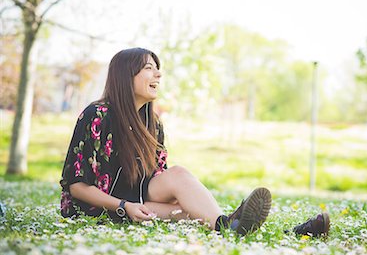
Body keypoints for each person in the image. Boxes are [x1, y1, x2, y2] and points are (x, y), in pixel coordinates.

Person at [59, 47, 330, 237]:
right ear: (125, 76)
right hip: (103, 210)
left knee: (188, 197)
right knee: (199, 215)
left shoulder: (153, 123)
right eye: (149, 69)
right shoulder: (97, 116)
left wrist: (158, 201)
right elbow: (77, 187)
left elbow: (157, 181)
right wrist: (123, 206)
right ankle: (244, 227)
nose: (158, 75)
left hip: (138, 203)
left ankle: (280, 232)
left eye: (158, 70)